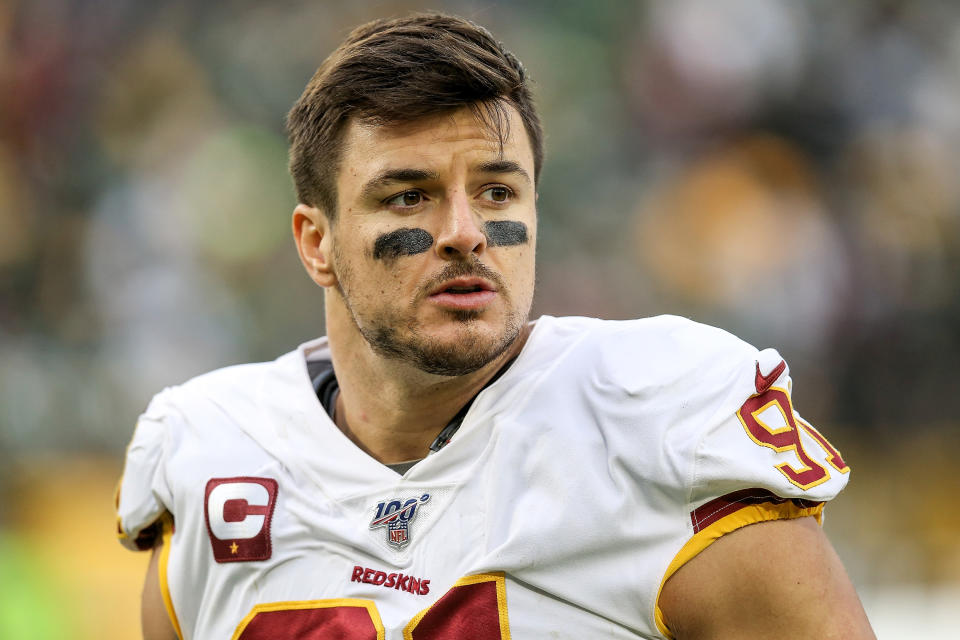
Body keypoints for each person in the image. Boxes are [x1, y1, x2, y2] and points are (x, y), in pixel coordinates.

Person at [116, 12, 875, 640]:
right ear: (317, 243)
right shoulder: (215, 456)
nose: (465, 231)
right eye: (408, 196)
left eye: (497, 191)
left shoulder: (653, 425)